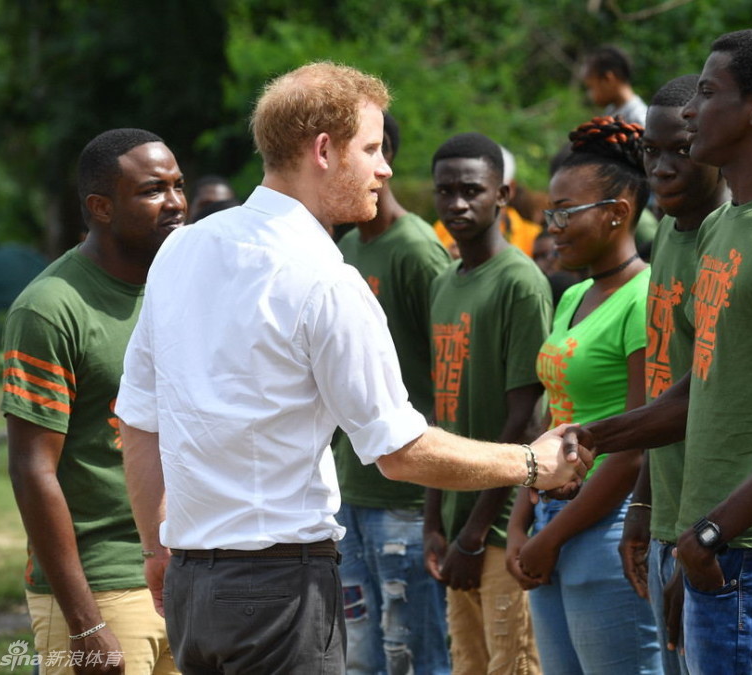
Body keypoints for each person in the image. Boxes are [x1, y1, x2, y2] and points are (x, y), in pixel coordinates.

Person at [115, 63, 590, 675]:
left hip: (191, 584)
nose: (385, 167)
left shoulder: (182, 249)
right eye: (370, 148)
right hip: (277, 588)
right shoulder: (325, 279)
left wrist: (158, 550)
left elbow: (139, 421)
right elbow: (400, 451)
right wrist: (532, 463)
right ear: (322, 151)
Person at [562, 30, 752, 674]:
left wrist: (709, 535)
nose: (690, 110)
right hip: (708, 546)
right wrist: (592, 437)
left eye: (709, 92)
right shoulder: (720, 227)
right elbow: (698, 391)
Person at [3, 128, 185, 675]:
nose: (175, 202)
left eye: (178, 185)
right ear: (101, 207)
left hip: (186, 574)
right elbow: (33, 470)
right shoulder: (49, 309)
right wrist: (84, 623)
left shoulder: (180, 287)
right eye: (153, 190)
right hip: (103, 588)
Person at [505, 116, 662, 675]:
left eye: (565, 213)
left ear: (618, 212)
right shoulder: (573, 297)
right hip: (550, 523)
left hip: (608, 531)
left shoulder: (645, 296)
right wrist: (523, 524)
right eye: (550, 214)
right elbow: (553, 420)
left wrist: (551, 539)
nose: (552, 229)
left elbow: (635, 445)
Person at [423, 132, 551, 675]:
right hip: (455, 528)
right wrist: (434, 522)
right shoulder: (445, 282)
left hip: (498, 531)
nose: (457, 203)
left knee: (513, 665)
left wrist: (474, 536)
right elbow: (441, 415)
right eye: (445, 191)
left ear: (503, 194)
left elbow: (523, 421)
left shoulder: (520, 282)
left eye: (472, 190)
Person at [333, 111, 451, 675]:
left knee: (414, 653)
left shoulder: (417, 250)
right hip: (350, 486)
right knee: (361, 654)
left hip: (404, 495)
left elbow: (444, 373)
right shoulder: (344, 246)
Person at [618, 73, 730, 675]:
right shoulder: (665, 232)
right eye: (650, 151)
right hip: (667, 518)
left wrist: (697, 545)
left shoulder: (727, 239)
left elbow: (730, 412)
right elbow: (666, 384)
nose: (660, 167)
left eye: (679, 150)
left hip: (713, 534)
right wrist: (642, 506)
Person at [433, 145, 544, 258]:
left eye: (472, 191)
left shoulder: (533, 236)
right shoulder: (442, 229)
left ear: (507, 191)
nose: (459, 204)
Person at [581, 45, 648, 127]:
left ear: (608, 79)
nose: (589, 94)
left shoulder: (639, 119)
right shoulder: (611, 110)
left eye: (591, 87)